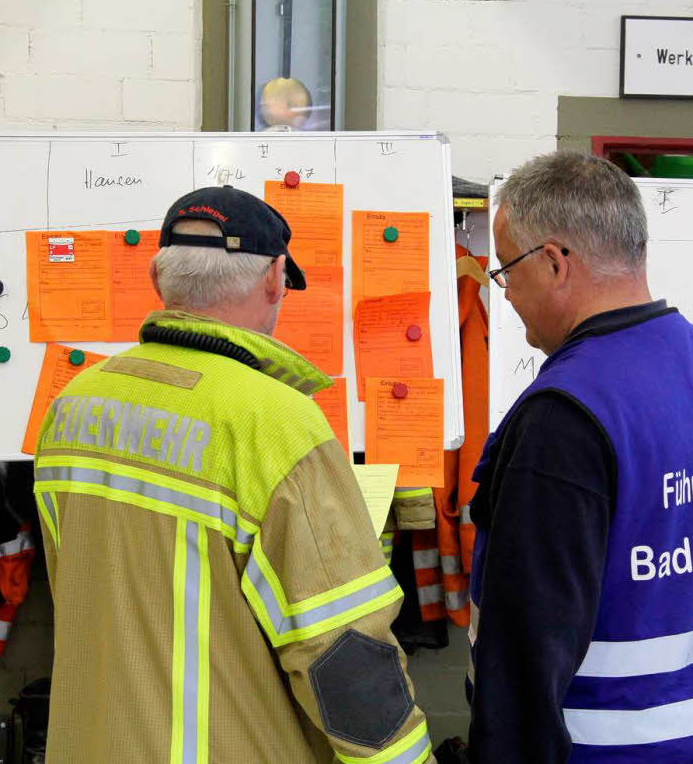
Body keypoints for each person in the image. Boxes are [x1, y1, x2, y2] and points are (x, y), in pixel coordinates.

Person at [31, 186, 436, 764]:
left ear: (157, 276)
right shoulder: (275, 424)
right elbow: (342, 653)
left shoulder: (73, 405)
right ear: (275, 278)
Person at [466, 152, 693, 764]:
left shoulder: (565, 414)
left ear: (555, 262)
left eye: (505, 270)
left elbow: (525, 649)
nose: (503, 294)